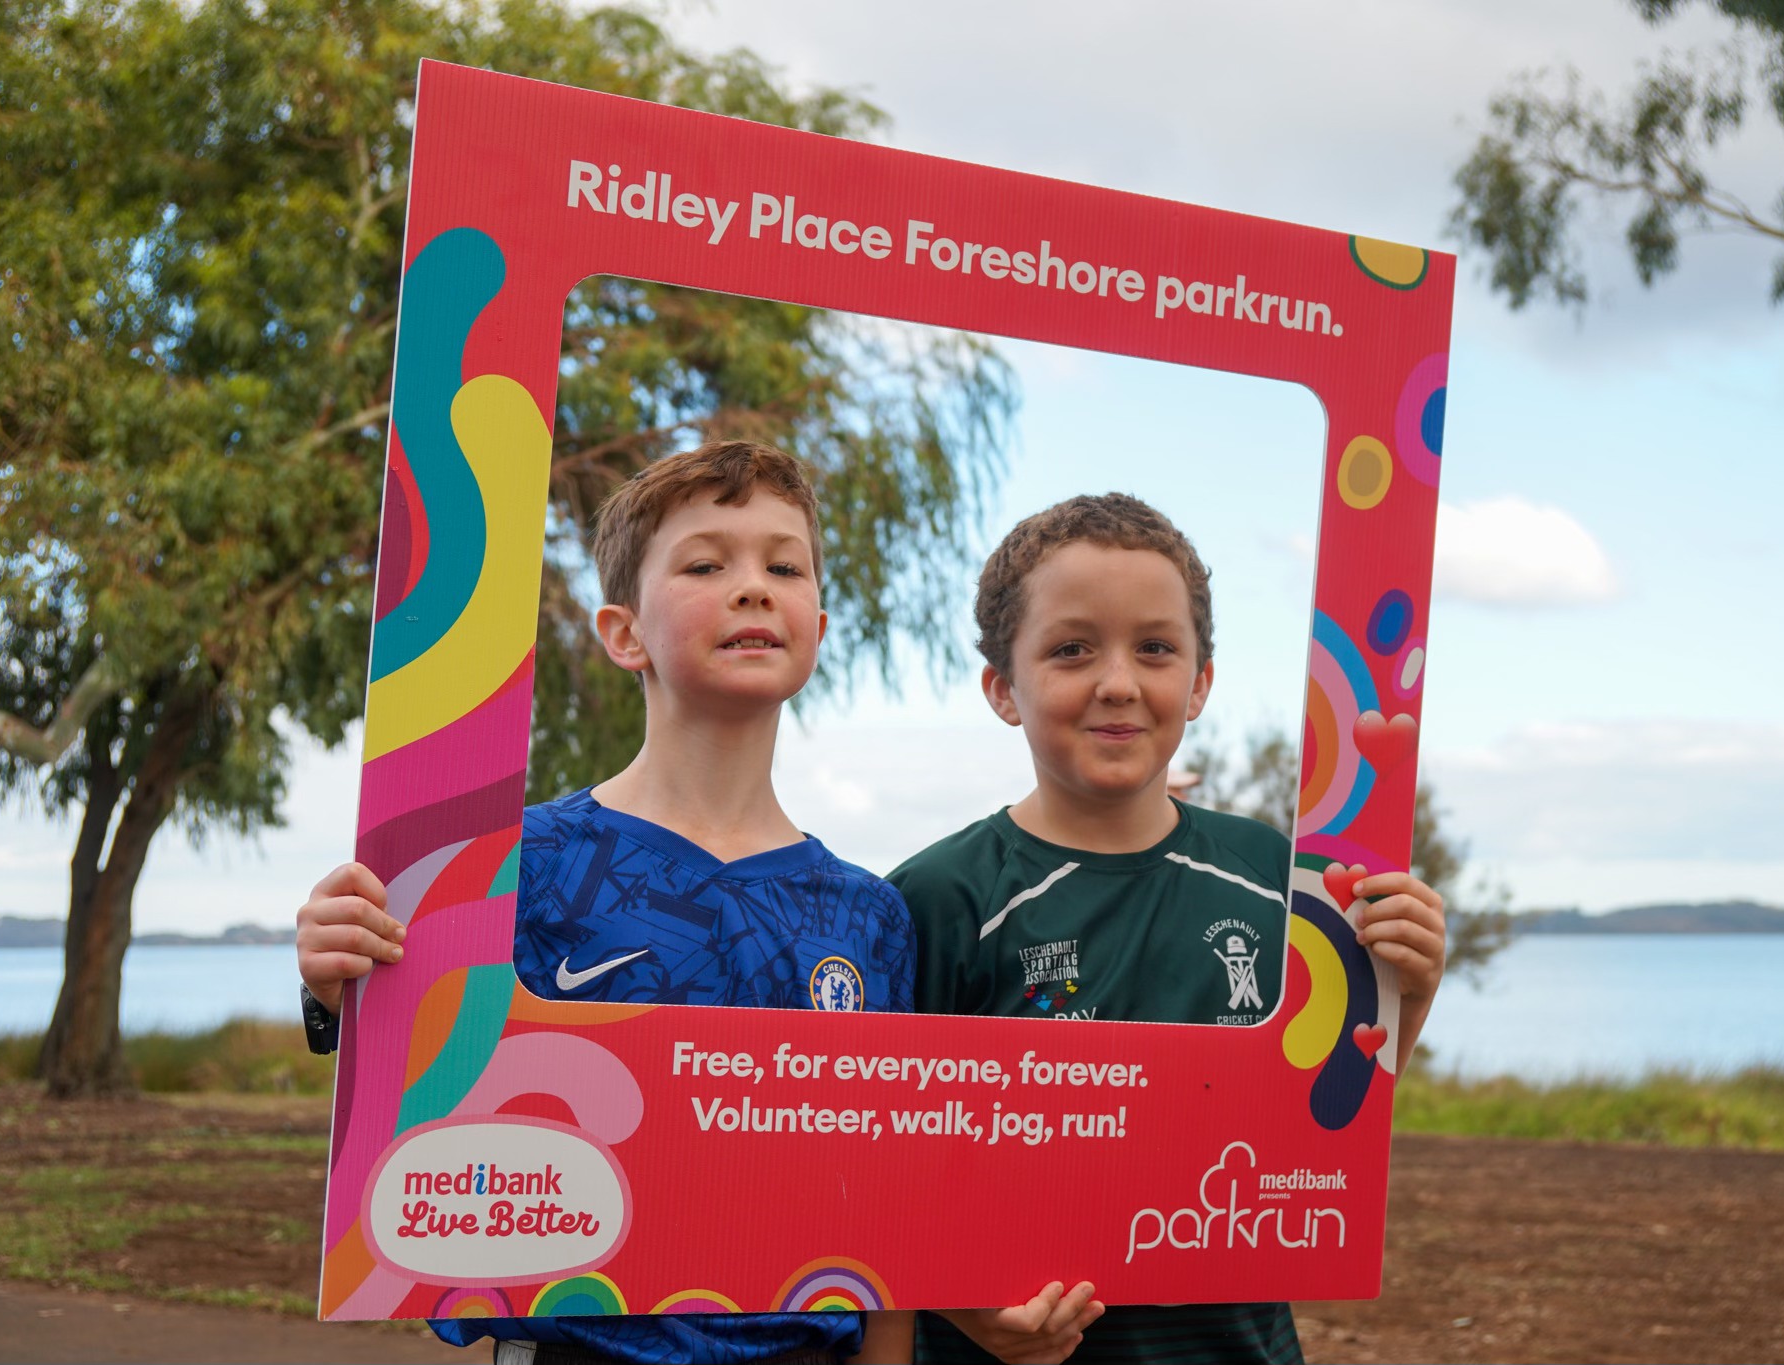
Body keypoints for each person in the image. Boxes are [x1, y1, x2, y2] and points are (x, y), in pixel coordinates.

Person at [296, 441, 939, 1365]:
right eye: (707, 562)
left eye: (783, 564)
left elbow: (887, 1190)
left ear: (820, 625)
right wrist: (334, 982)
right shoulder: (508, 865)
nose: (753, 585)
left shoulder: (869, 915)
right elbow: (425, 1083)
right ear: (623, 632)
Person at [890, 493, 1448, 1365]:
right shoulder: (936, 897)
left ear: (1199, 683)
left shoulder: (1282, 878)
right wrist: (966, 1309)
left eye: (1155, 647)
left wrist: (1408, 993)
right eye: (1072, 648)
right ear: (1004, 688)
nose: (1118, 680)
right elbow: (885, 1173)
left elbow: (1319, 1138)